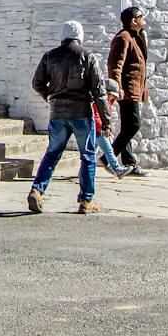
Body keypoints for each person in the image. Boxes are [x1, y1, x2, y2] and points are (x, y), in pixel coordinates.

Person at [26, 21, 107, 215]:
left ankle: (37, 190)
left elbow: (37, 83)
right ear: (80, 36)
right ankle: (86, 200)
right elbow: (99, 91)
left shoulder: (49, 56)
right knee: (87, 156)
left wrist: (50, 97)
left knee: (52, 153)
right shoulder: (88, 57)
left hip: (58, 112)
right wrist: (106, 119)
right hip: (81, 113)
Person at [107, 6, 150, 176]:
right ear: (134, 21)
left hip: (136, 88)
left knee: (127, 127)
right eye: (141, 16)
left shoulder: (135, 37)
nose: (143, 18)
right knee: (133, 125)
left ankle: (129, 163)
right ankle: (108, 158)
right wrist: (118, 87)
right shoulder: (123, 37)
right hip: (127, 89)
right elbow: (115, 65)